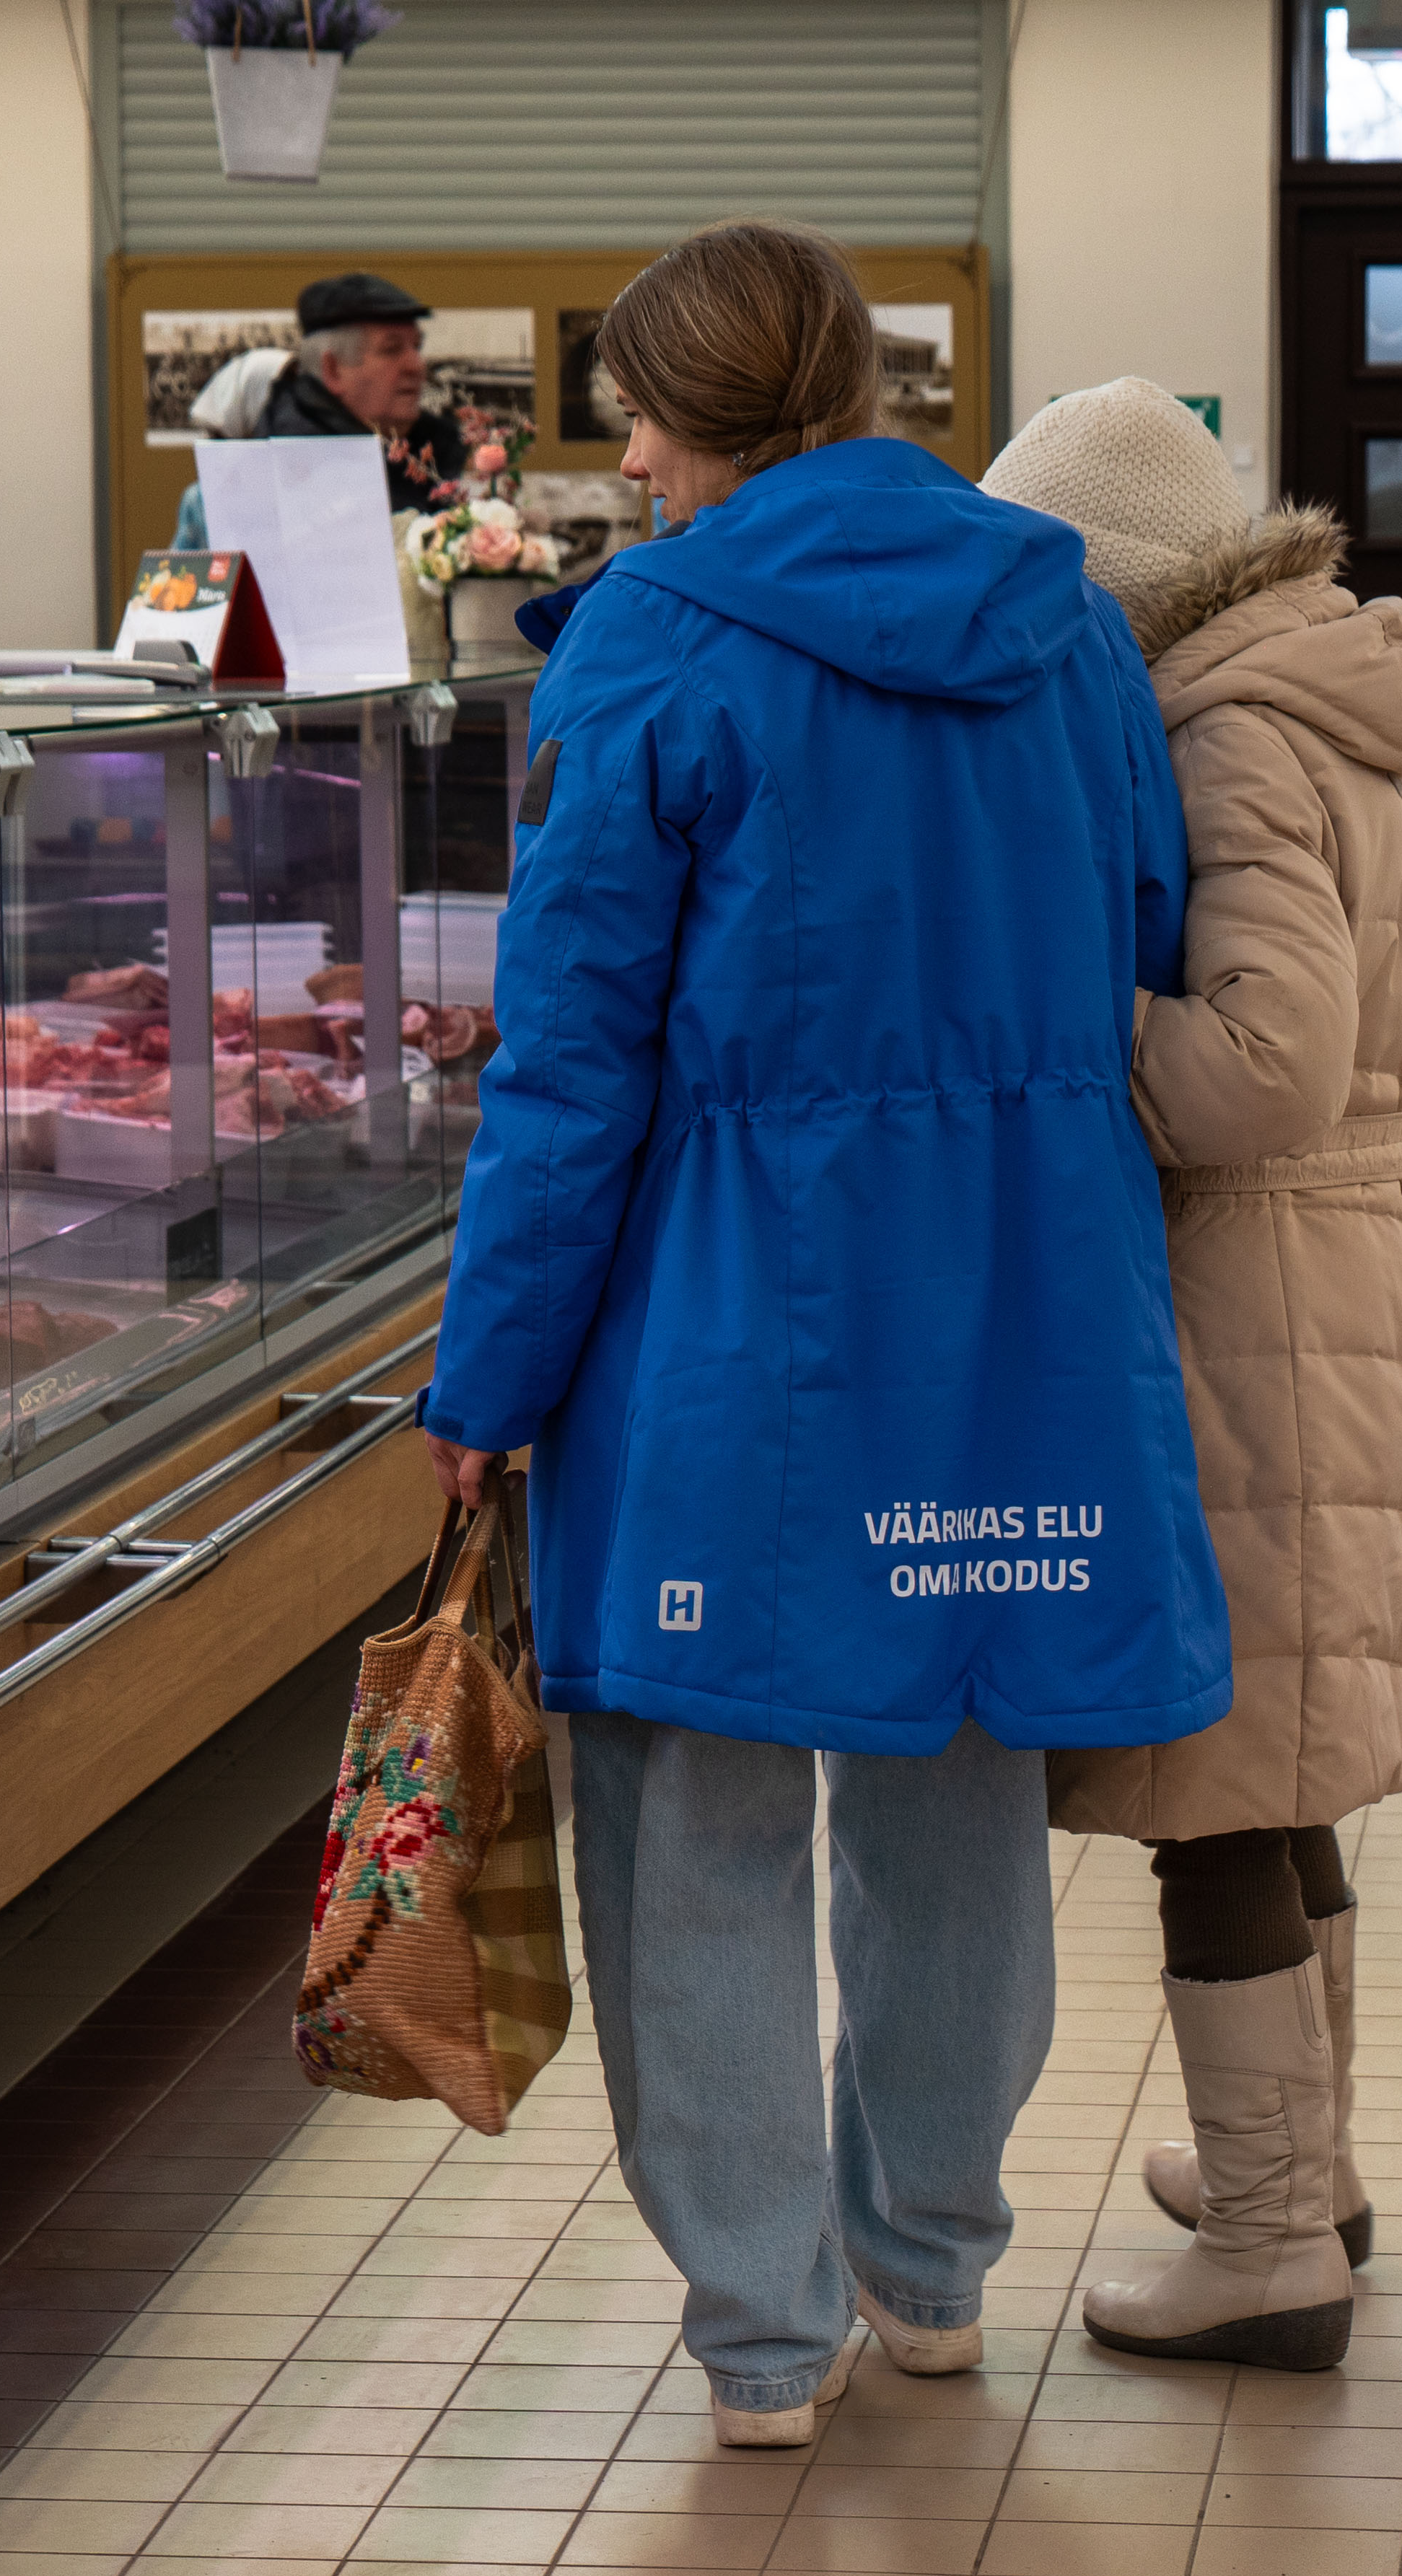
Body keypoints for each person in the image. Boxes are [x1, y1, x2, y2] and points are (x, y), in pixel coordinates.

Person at [416, 222, 1232, 2447]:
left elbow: (571, 1071)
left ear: (686, 419)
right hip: (1025, 1298)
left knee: (698, 1806)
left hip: (732, 1313)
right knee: (956, 1766)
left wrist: (487, 1380)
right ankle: (930, 2269)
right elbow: (1147, 916)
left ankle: (766, 2336)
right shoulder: (1065, 621)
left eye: (636, 420)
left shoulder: (653, 640)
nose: (631, 462)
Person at [984, 380, 1402, 2373]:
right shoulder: (1317, 695)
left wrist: (1051, 1019)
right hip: (1341, 1266)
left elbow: (1264, 1062)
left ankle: (1269, 2244)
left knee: (1217, 1788)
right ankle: (1307, 2174)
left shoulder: (1226, 730)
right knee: (1282, 1767)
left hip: (1260, 1285)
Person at [264, 270, 470, 511]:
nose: (417, 366)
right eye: (391, 349)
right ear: (334, 371)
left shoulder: (435, 443)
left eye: (417, 346)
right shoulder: (291, 470)